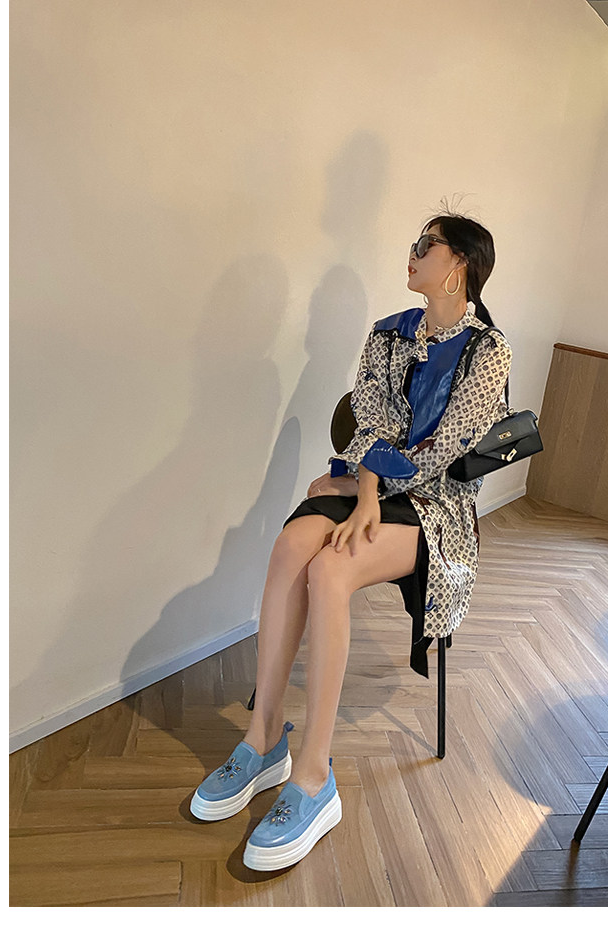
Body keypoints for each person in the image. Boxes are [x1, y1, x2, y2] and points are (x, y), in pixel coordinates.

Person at [190, 212, 512, 871]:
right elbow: (367, 420)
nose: (412, 252)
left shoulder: (489, 352)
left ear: (460, 265)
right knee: (290, 547)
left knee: (330, 570)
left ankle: (315, 775)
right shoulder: (388, 333)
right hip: (370, 486)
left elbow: (440, 451)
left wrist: (367, 481)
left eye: (426, 245)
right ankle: (263, 738)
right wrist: (364, 487)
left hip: (436, 507)